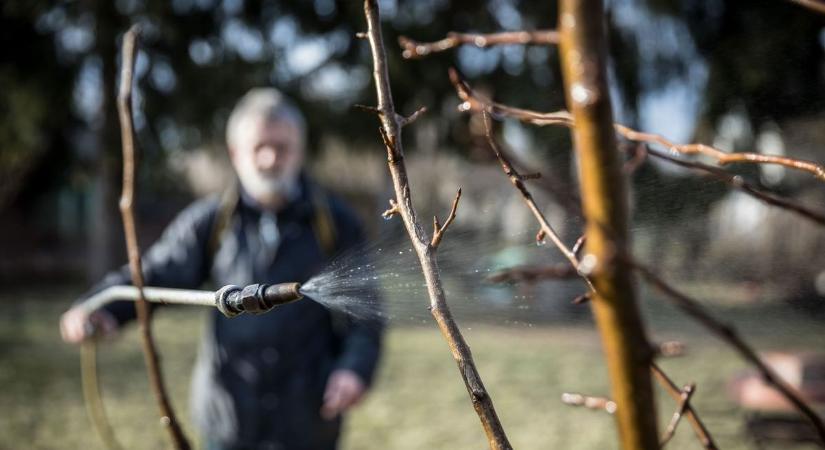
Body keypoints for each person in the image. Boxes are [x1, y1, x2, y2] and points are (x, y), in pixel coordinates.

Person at [60, 88, 383, 450]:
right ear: (235, 153)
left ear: (299, 150)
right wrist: (102, 308)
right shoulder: (209, 222)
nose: (270, 158)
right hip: (228, 417)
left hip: (308, 418)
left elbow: (366, 310)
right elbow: (156, 275)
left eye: (282, 147)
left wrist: (354, 369)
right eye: (259, 146)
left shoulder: (336, 223)